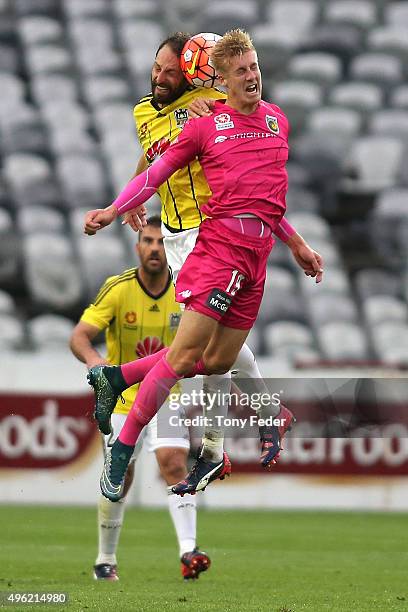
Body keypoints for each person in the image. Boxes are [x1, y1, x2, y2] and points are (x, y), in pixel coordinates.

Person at [84, 29, 323, 502]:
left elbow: (264, 194)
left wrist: (294, 242)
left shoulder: (255, 115)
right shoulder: (175, 117)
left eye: (171, 70)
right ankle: (158, 446)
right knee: (188, 356)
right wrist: (119, 204)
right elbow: (155, 163)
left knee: (214, 357)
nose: (161, 76)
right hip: (201, 242)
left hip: (242, 249)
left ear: (194, 75)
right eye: (158, 69)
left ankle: (121, 379)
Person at [70, 216, 211, 581]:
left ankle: (188, 552)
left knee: (174, 464)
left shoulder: (187, 288)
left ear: (170, 248)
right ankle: (105, 558)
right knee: (122, 476)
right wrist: (96, 362)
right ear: (137, 246)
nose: (154, 249)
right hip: (121, 399)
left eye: (162, 242)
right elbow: (80, 336)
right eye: (148, 241)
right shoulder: (118, 289)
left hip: (168, 396)